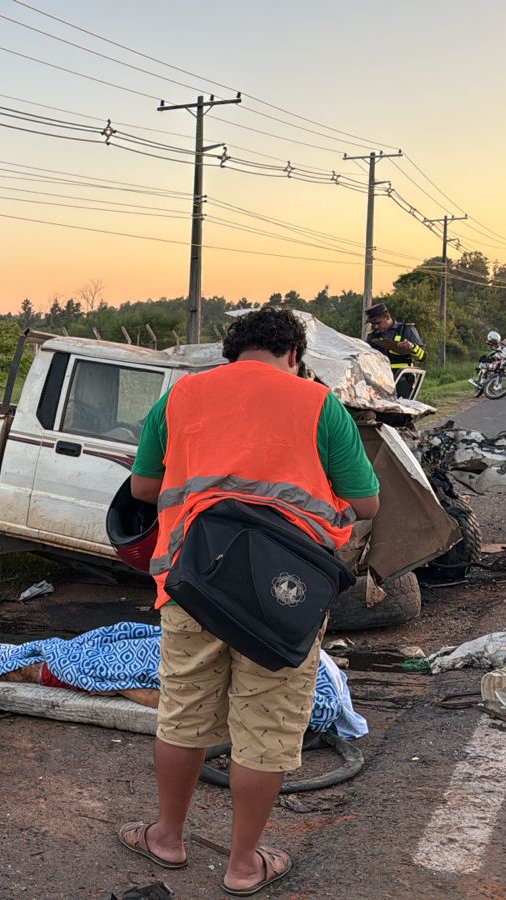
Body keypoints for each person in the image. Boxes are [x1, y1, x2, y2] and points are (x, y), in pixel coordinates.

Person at [121, 307, 380, 896]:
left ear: (230, 353)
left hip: (193, 583)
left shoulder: (182, 397)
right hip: (283, 595)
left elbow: (141, 488)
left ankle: (166, 838)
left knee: (184, 711)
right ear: (294, 353)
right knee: (266, 724)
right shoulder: (318, 404)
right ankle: (242, 865)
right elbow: (366, 503)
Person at [0, 624, 367, 741]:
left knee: (59, 665)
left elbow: (171, 702)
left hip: (159, 666)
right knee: (73, 649)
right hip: (174, 652)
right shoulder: (307, 678)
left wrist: (114, 686)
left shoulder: (296, 696)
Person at [364, 303, 426, 398]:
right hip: (378, 380)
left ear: (387, 317)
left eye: (378, 323)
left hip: (401, 378)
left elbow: (422, 357)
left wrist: (412, 347)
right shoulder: (372, 336)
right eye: (373, 324)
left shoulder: (406, 330)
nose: (375, 327)